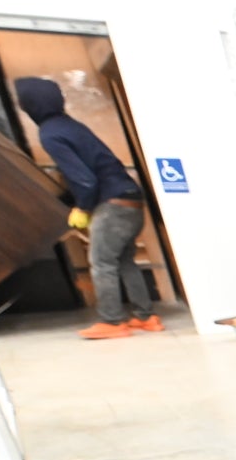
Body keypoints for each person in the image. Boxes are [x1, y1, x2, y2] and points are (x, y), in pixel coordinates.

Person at [11, 77, 162, 340]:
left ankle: (113, 322)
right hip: (131, 199)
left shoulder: (50, 133)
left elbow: (84, 178)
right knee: (125, 261)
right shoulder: (71, 126)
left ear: (29, 104)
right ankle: (146, 317)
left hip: (112, 205)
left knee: (101, 262)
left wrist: (81, 207)